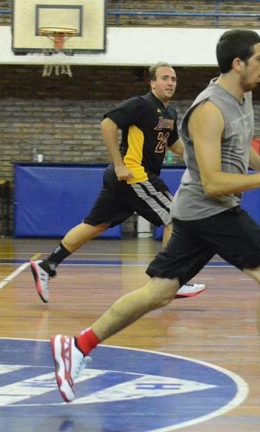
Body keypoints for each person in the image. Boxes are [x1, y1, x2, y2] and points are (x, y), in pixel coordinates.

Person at [49, 29, 260, 411]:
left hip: (195, 213)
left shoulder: (241, 96)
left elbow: (240, 145)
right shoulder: (209, 110)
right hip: (209, 209)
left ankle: (78, 346)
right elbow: (214, 183)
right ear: (238, 63)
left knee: (159, 292)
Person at [30, 62, 206, 303]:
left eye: (173, 79)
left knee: (95, 225)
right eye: (165, 78)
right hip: (134, 174)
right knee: (175, 217)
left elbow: (172, 144)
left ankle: (47, 264)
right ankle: (168, 280)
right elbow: (107, 124)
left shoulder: (170, 113)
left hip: (126, 180)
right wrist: (119, 164)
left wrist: (198, 157)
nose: (170, 83)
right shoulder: (140, 104)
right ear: (152, 82)